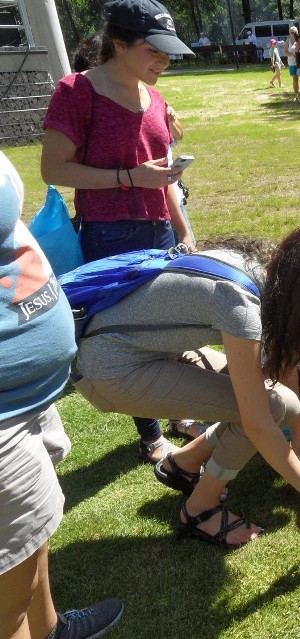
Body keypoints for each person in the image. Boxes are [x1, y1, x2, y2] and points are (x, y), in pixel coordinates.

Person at [70, 220, 300, 548]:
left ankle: (181, 466)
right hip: (113, 370)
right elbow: (258, 420)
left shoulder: (268, 274)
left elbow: (283, 370)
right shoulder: (242, 305)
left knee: (281, 402)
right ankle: (198, 511)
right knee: (269, 408)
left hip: (145, 350)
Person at [40, 0, 197, 465]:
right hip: (110, 234)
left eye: (169, 52)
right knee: (129, 334)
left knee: (169, 324)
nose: (164, 62)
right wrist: (129, 177)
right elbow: (53, 168)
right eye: (154, 51)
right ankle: (150, 435)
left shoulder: (157, 99)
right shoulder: (76, 92)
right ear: (119, 44)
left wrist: (184, 231)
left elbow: (163, 176)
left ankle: (176, 411)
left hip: (162, 231)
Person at [0, 151, 125, 639]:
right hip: (4, 419)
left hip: (28, 398)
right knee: (7, 607)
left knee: (32, 539)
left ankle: (50, 629)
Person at [286, 26, 299, 101]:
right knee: (295, 78)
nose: (293, 34)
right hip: (291, 62)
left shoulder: (299, 40)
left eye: (294, 32)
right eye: (291, 32)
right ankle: (296, 95)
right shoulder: (288, 41)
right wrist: (293, 55)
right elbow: (285, 51)